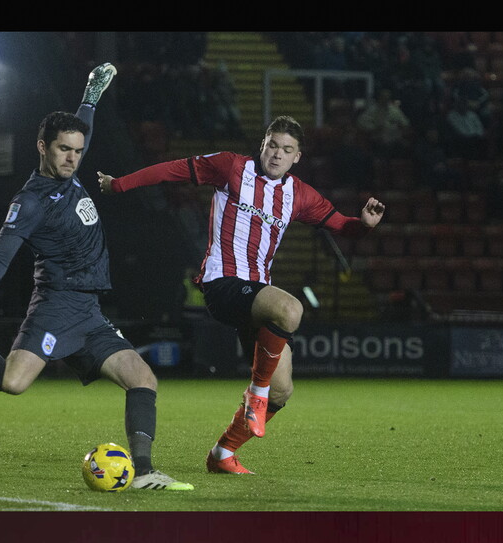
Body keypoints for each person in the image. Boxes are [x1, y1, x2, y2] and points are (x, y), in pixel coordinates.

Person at [0, 63, 193, 491]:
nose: (72, 157)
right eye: (64, 149)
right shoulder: (30, 202)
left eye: (78, 151)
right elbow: (1, 254)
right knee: (13, 382)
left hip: (89, 309)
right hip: (56, 305)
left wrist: (91, 94)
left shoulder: (70, 171)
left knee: (142, 378)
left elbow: (82, 128)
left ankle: (144, 472)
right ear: (42, 147)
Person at [97, 115, 385, 474]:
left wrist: (364, 226)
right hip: (222, 284)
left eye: (287, 150)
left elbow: (341, 225)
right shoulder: (232, 167)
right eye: (273, 146)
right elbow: (173, 170)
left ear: (297, 157)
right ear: (263, 144)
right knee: (290, 309)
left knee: (282, 392)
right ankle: (255, 395)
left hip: (255, 297)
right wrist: (119, 185)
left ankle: (222, 453)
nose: (277, 154)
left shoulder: (299, 194)